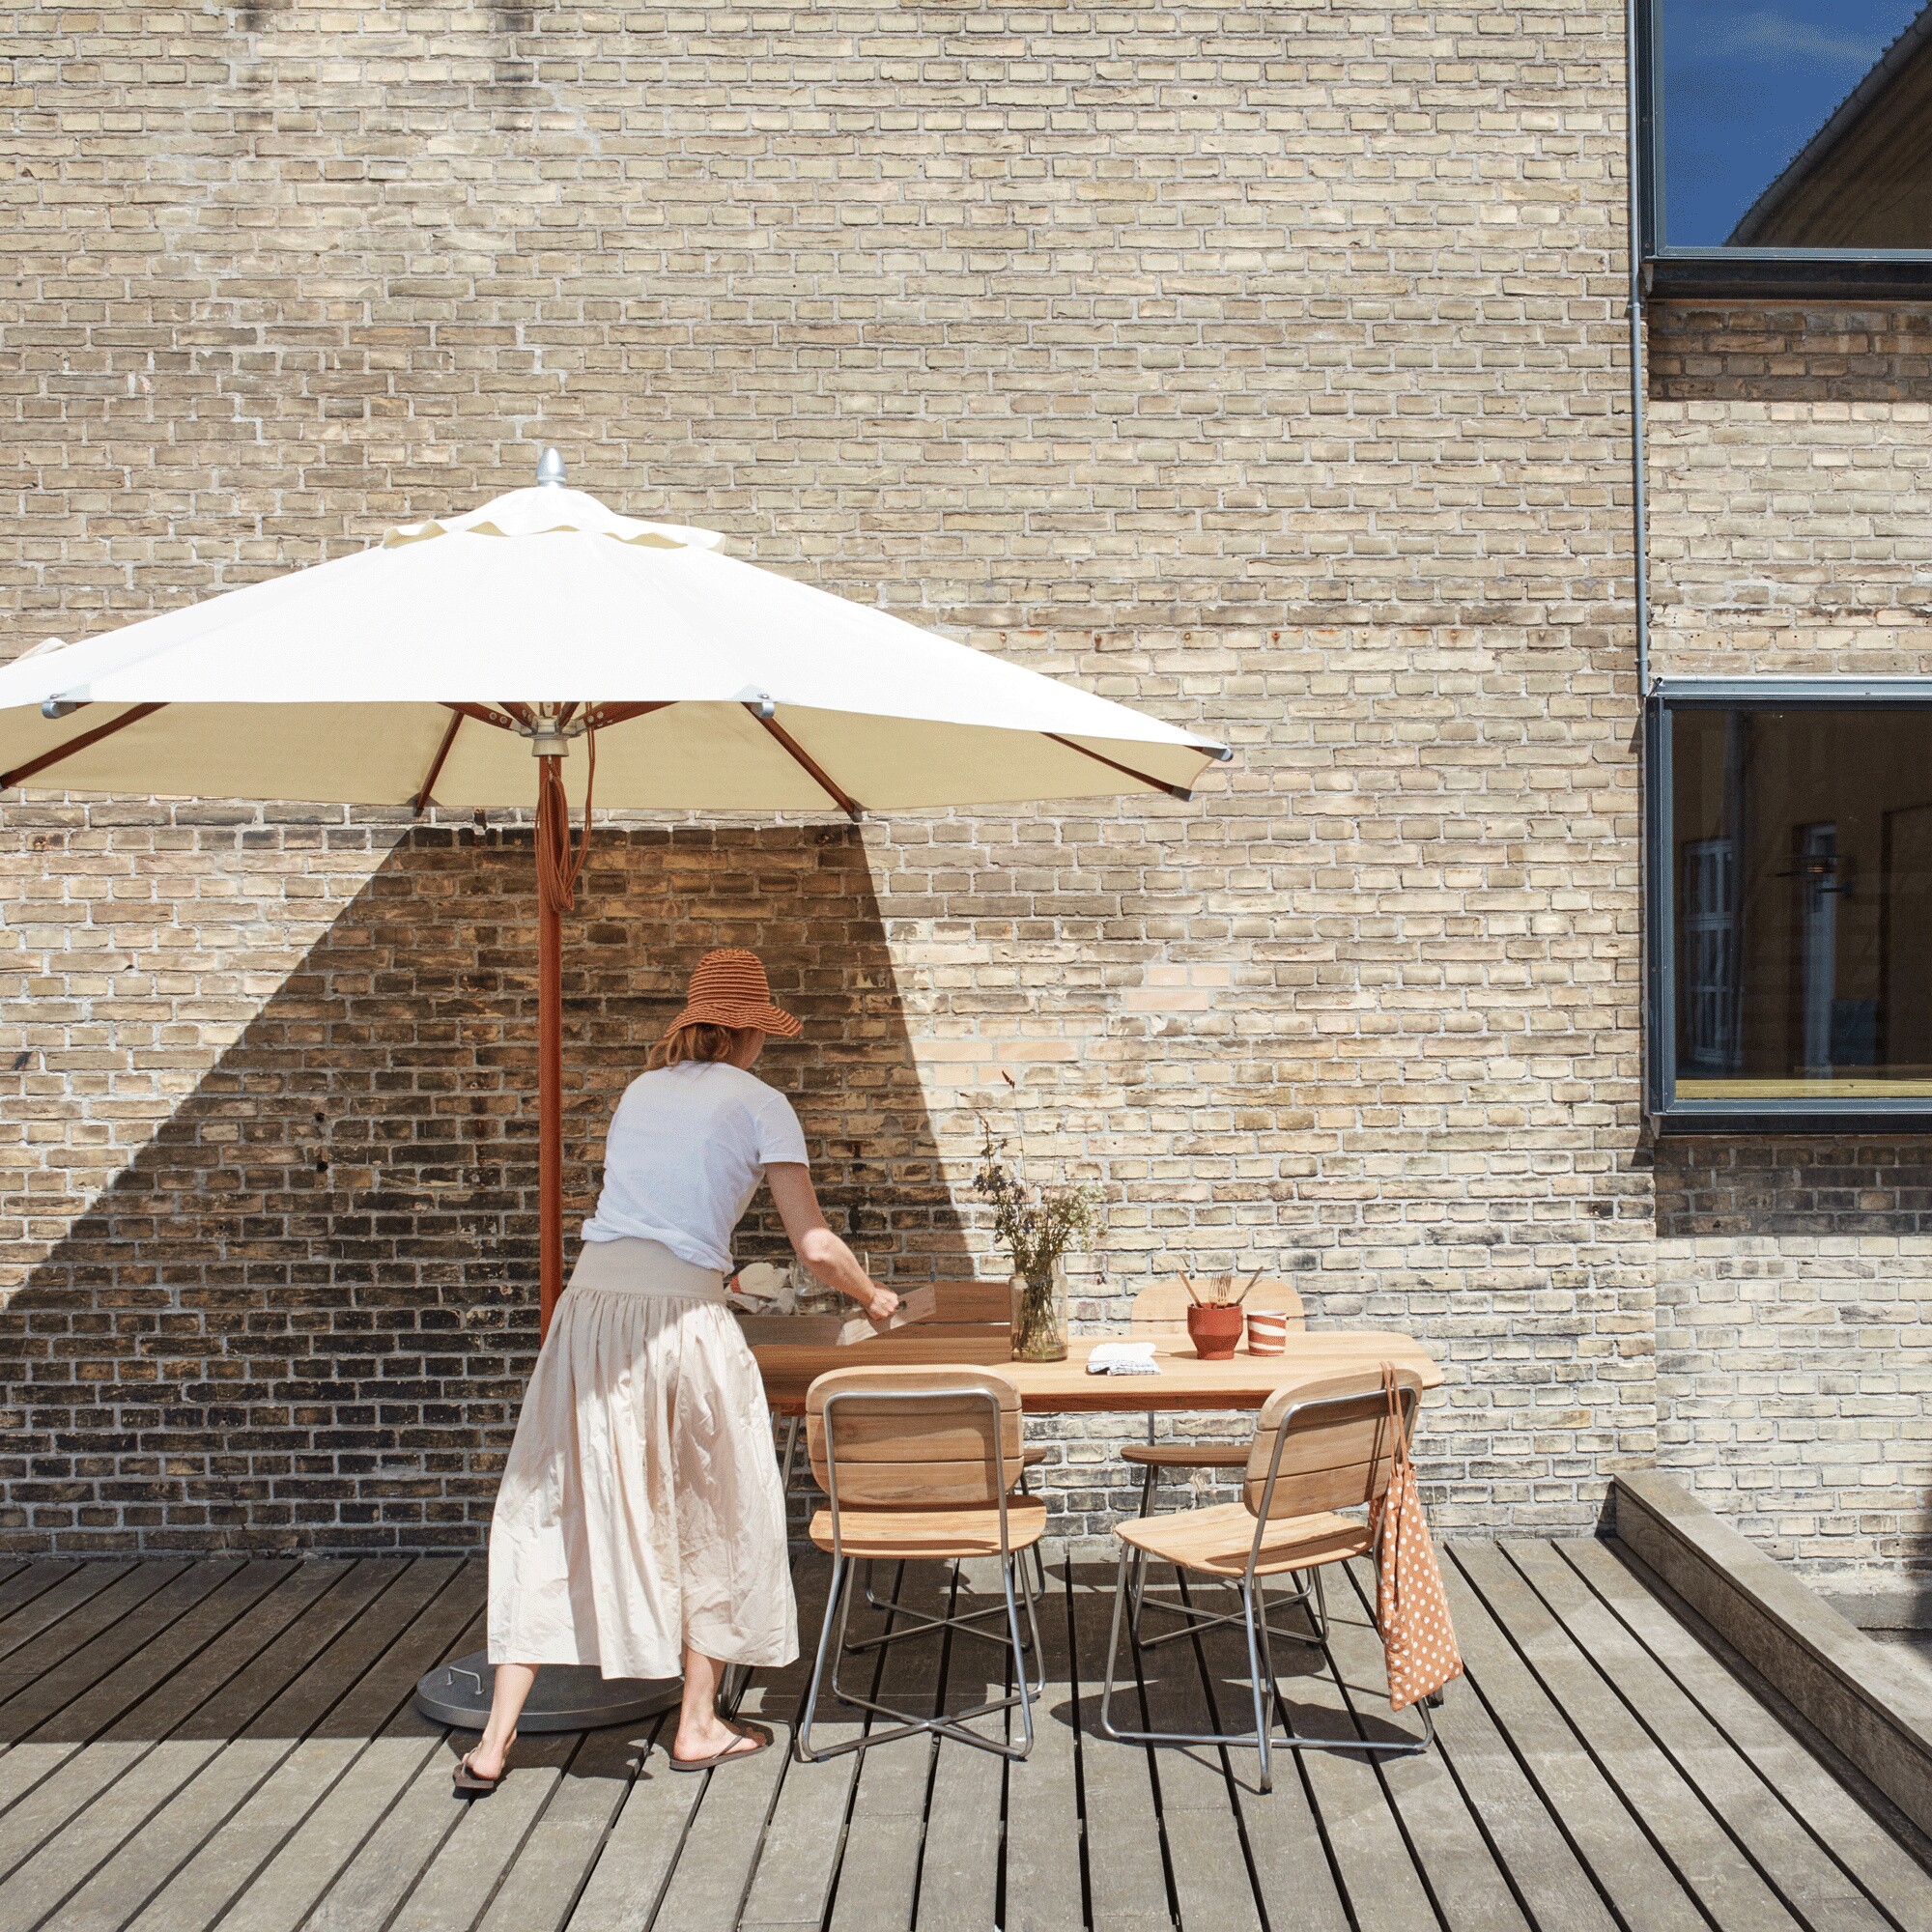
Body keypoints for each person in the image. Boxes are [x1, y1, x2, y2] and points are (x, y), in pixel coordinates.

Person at [456, 948, 898, 1791]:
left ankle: (492, 1742)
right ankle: (696, 1723)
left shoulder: (640, 1091)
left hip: (588, 1315)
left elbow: (647, 1215)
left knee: (553, 1505)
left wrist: (712, 1272)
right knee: (719, 1503)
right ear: (748, 1031)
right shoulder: (763, 1102)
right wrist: (874, 1298)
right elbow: (814, 1246)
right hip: (680, 1327)